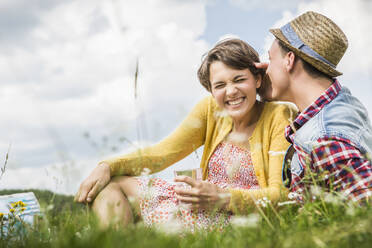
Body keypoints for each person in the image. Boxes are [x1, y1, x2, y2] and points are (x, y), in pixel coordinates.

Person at [75, 39, 297, 229]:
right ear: (211, 90)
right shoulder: (210, 110)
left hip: (237, 219)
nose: (231, 91)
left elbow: (281, 196)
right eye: (219, 85)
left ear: (256, 80)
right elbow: (161, 154)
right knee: (110, 184)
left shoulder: (279, 115)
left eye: (239, 79)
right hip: (199, 204)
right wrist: (107, 166)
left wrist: (223, 198)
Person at [255, 11, 372, 202]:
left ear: (289, 60)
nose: (266, 68)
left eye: (271, 59)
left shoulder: (325, 139)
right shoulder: (341, 102)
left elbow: (366, 207)